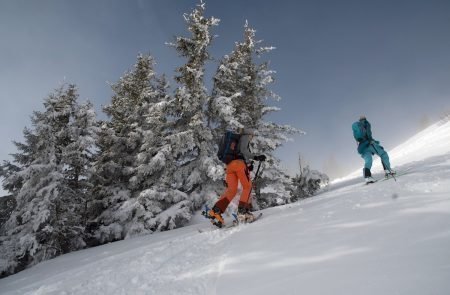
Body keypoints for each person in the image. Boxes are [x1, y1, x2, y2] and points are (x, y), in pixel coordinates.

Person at [208, 128, 266, 226]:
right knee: (247, 187)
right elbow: (243, 151)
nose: (252, 137)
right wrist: (256, 157)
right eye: (252, 135)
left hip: (230, 167)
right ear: (250, 134)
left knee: (232, 190)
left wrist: (248, 164)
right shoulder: (245, 137)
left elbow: (239, 153)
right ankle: (243, 213)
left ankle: (215, 211)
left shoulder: (236, 141)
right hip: (239, 165)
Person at [352, 116, 395, 184]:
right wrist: (375, 143)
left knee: (368, 160)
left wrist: (375, 142)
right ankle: (388, 170)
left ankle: (367, 177)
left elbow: (359, 137)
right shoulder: (366, 123)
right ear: (364, 119)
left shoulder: (357, 126)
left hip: (362, 147)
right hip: (369, 144)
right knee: (383, 154)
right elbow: (369, 136)